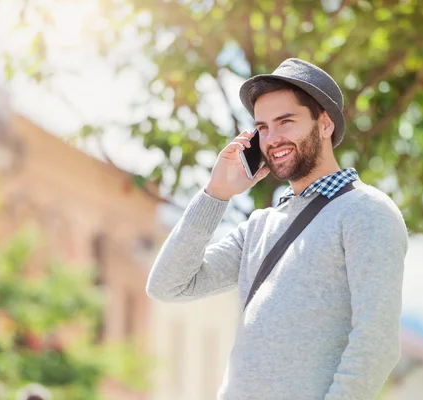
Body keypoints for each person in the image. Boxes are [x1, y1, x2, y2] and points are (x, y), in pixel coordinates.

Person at [146, 58, 408, 400]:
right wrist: (216, 194)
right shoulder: (259, 227)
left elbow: (377, 341)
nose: (273, 138)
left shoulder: (366, 211)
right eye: (263, 127)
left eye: (286, 122)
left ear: (325, 124)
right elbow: (168, 285)